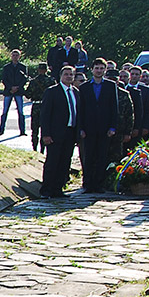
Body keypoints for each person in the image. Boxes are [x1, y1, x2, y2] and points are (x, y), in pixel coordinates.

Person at [77, 58, 119, 193]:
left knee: (102, 156)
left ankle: (99, 184)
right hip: (88, 128)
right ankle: (88, 183)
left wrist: (113, 127)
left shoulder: (111, 86)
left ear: (105, 70)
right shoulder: (84, 87)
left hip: (105, 128)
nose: (99, 71)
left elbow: (114, 108)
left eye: (102, 68)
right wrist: (81, 128)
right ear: (92, 69)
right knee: (88, 156)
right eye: (97, 68)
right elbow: (80, 109)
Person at [38, 66, 79, 198]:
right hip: (55, 133)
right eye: (66, 74)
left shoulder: (75, 92)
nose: (68, 77)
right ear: (60, 76)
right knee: (52, 161)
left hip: (70, 132)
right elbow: (45, 114)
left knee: (65, 161)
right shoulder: (52, 91)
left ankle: (58, 189)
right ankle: (46, 189)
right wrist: (46, 134)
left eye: (71, 74)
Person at [26, 62, 56, 152]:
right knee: (45, 129)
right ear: (46, 70)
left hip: (36, 105)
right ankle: (42, 150)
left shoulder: (33, 81)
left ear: (38, 70)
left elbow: (28, 95)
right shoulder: (51, 81)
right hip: (47, 106)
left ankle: (34, 148)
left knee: (34, 130)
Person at [0, 49, 27, 136]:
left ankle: (22, 131)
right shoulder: (6, 67)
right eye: (13, 55)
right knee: (5, 111)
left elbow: (24, 79)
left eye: (16, 55)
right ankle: (1, 130)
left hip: (18, 91)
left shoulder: (23, 67)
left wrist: (17, 87)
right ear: (11, 56)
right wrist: (11, 87)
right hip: (8, 91)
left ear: (19, 56)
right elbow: (4, 79)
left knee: (21, 112)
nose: (15, 57)